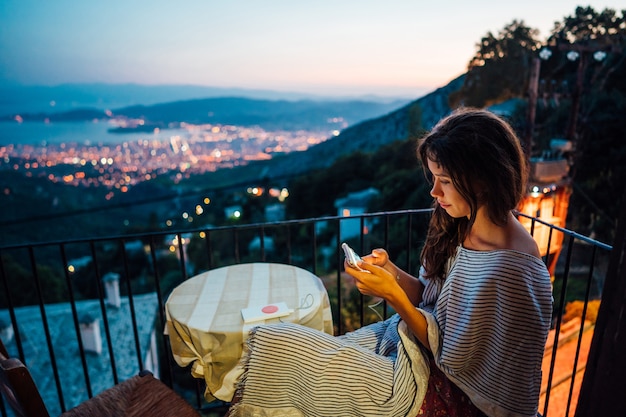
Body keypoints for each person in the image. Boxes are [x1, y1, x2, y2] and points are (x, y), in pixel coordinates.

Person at [228, 108, 553, 417]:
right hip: (414, 352)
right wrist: (391, 273)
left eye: (446, 181)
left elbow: (457, 360)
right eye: (434, 177)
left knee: (282, 346)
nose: (434, 191)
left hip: (447, 392)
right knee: (288, 347)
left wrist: (393, 295)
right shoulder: (459, 223)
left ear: (483, 179)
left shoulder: (512, 270)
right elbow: (429, 299)